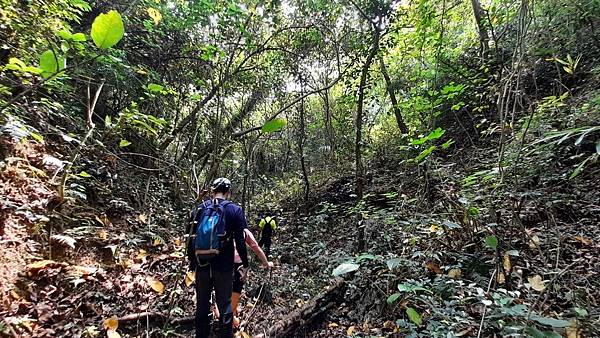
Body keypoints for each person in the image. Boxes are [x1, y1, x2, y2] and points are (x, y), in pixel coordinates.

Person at [186, 178, 249, 338]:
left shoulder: (199, 209)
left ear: (212, 191)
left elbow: (190, 237)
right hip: (224, 267)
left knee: (202, 305)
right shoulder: (235, 210)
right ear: (228, 192)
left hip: (202, 265)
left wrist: (192, 262)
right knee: (225, 306)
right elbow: (241, 241)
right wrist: (245, 264)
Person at [231, 228, 274, 327]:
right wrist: (266, 263)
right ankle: (230, 319)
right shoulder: (244, 231)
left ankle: (227, 313)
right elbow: (256, 248)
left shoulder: (222, 227)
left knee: (224, 290)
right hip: (238, 265)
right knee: (236, 289)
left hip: (222, 265)